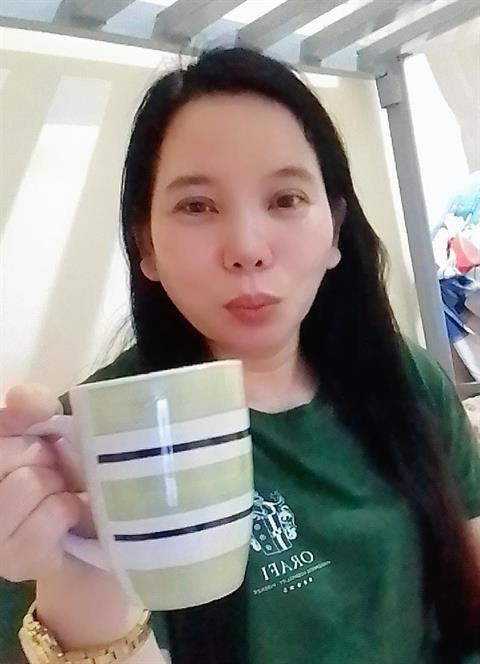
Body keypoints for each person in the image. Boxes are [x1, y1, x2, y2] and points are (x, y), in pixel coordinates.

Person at [1, 47, 479, 664]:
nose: (247, 248)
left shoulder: (405, 376)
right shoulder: (70, 459)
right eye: (197, 206)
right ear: (147, 245)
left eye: (285, 199)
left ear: (335, 231)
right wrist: (81, 592)